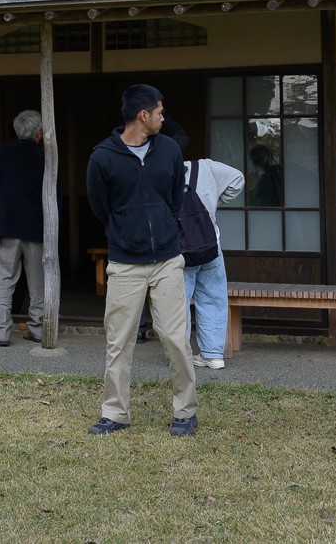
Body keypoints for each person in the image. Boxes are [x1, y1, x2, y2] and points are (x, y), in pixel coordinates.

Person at [84, 84, 198, 436]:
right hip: (124, 263)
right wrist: (125, 231)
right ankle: (115, 413)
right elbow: (100, 206)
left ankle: (185, 411)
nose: (164, 118)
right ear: (142, 115)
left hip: (167, 259)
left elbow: (176, 197)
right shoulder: (102, 157)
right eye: (160, 112)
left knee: (175, 338)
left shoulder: (169, 149)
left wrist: (164, 227)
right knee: (119, 340)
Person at [167, 128, 243, 370]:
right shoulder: (206, 168)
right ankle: (212, 355)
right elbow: (238, 178)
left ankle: (180, 356)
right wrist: (215, 203)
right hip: (210, 246)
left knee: (177, 303)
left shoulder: (159, 174)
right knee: (213, 298)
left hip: (178, 250)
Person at [0, 109, 49, 347]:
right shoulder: (45, 155)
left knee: (5, 280)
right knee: (37, 282)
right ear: (38, 132)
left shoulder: (2, 153)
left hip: (7, 224)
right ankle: (37, 329)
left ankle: (2, 332)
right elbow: (54, 192)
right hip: (36, 226)